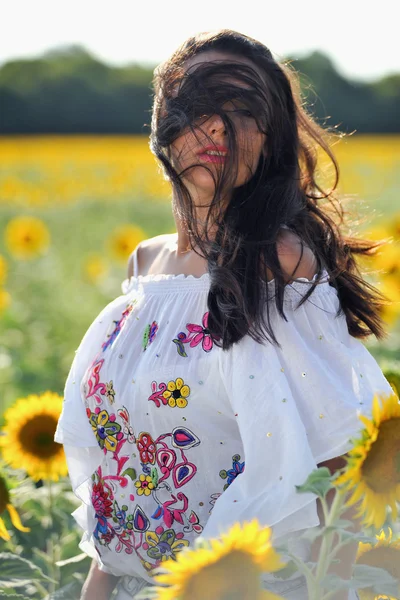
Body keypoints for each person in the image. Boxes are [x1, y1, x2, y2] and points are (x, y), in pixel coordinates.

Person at [54, 29, 393, 600]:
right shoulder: (145, 267)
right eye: (197, 103)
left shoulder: (279, 267)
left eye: (242, 110)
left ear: (269, 138)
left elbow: (337, 469)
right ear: (161, 122)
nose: (216, 126)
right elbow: (122, 476)